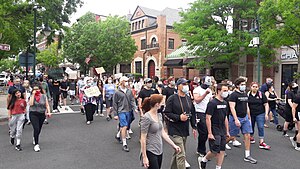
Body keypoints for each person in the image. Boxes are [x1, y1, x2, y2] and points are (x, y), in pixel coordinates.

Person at [140, 94, 181, 169]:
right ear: (157, 105)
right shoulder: (147, 117)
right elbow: (143, 138)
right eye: (162, 104)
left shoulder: (159, 115)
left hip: (159, 149)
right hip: (150, 150)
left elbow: (162, 133)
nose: (163, 106)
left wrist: (173, 145)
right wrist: (144, 157)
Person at [164, 78, 197, 169]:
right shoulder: (172, 98)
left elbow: (193, 112)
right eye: (184, 84)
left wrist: (194, 126)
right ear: (178, 86)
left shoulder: (188, 98)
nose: (186, 86)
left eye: (187, 84)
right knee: (181, 154)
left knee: (177, 151)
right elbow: (167, 113)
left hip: (184, 129)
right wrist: (179, 117)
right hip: (175, 129)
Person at [198, 83, 230, 169]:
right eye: (225, 90)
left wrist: (227, 131)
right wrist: (209, 133)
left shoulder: (225, 103)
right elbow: (208, 118)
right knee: (215, 150)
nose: (226, 92)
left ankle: (218, 167)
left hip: (222, 128)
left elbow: (225, 117)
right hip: (214, 128)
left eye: (227, 90)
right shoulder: (212, 103)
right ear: (219, 91)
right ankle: (204, 159)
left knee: (222, 150)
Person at [228, 77, 257, 164]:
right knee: (232, 136)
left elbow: (246, 106)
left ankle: (247, 155)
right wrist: (236, 119)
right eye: (242, 85)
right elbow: (232, 107)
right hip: (235, 118)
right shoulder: (233, 95)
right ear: (237, 85)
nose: (244, 86)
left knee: (247, 135)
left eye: (244, 84)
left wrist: (249, 116)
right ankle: (220, 146)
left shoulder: (244, 94)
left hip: (245, 118)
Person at [112, 76, 136, 152]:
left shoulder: (129, 91)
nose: (127, 82)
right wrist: (115, 114)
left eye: (127, 81)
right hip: (121, 111)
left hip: (128, 110)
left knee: (125, 125)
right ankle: (124, 144)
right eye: (125, 81)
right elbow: (114, 103)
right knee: (125, 126)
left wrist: (134, 107)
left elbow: (132, 100)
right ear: (121, 82)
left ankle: (118, 135)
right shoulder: (117, 92)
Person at [193, 76, 213, 157]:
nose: (207, 86)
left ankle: (211, 149)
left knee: (210, 131)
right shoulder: (197, 90)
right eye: (206, 84)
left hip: (207, 112)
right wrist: (205, 94)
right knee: (203, 132)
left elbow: (210, 100)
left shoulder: (209, 90)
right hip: (199, 112)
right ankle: (201, 150)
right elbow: (197, 100)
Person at [247, 82, 271, 150]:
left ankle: (261, 141)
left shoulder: (261, 95)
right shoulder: (248, 95)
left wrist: (266, 114)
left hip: (260, 113)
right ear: (251, 87)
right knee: (251, 126)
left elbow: (266, 104)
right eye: (253, 86)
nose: (255, 88)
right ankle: (251, 137)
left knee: (260, 126)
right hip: (251, 113)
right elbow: (246, 105)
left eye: (256, 87)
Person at [29, 84, 52, 152]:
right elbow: (31, 104)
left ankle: (35, 137)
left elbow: (47, 105)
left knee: (39, 129)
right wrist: (33, 95)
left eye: (38, 89)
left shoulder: (44, 96)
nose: (37, 91)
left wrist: (49, 112)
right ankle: (36, 144)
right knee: (36, 128)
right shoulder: (31, 96)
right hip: (33, 113)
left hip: (41, 114)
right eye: (35, 89)